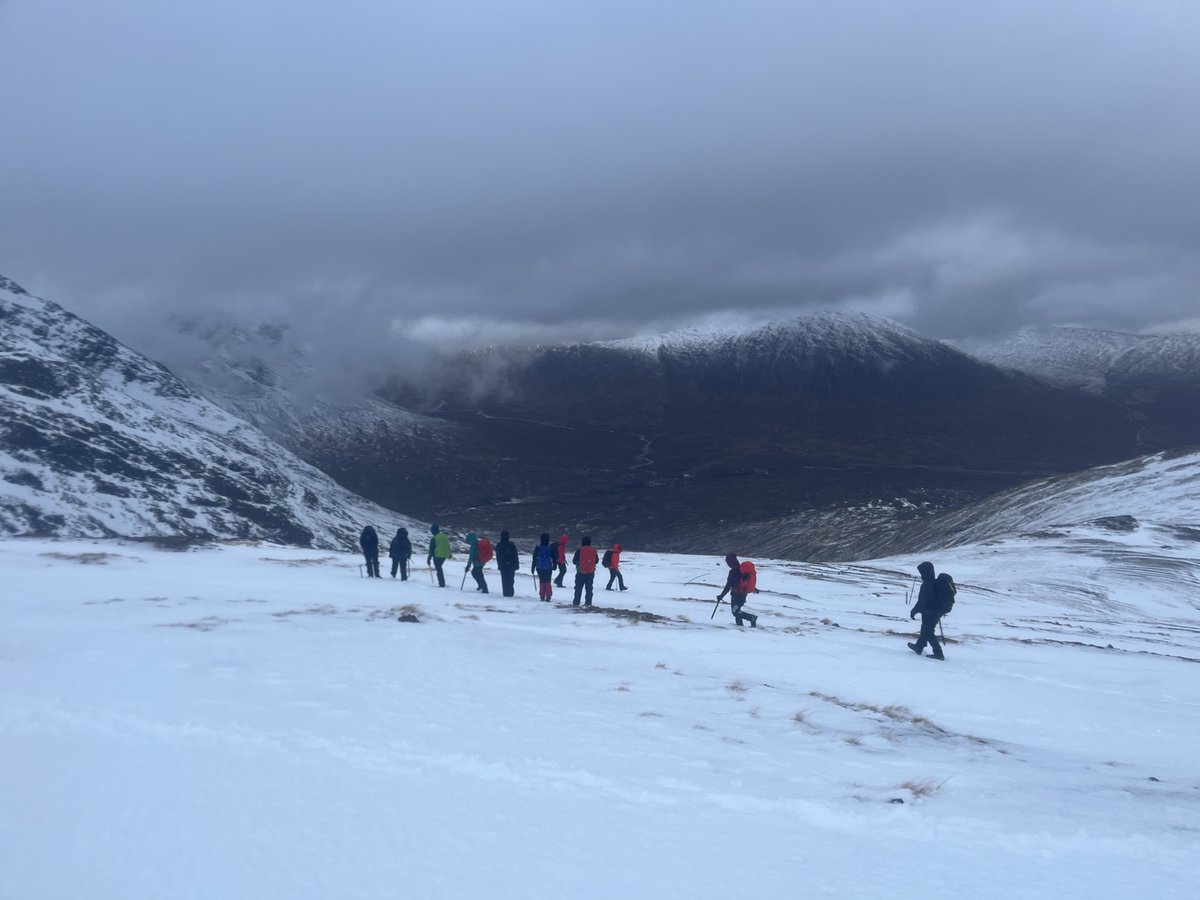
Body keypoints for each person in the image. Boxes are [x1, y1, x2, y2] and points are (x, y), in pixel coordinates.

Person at [907, 561, 945, 660]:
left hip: (929, 611)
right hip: (936, 611)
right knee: (926, 630)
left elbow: (922, 601)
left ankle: (938, 654)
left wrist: (914, 611)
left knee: (928, 632)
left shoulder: (927, 584)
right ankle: (919, 647)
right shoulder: (935, 582)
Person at [716, 553, 757, 626]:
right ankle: (740, 627)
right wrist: (754, 588)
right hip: (743, 594)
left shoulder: (734, 571)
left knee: (735, 612)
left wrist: (721, 596)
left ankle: (751, 618)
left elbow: (728, 586)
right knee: (737, 612)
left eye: (728, 562)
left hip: (737, 595)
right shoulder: (741, 570)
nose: (728, 564)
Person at [572, 535, 599, 606]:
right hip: (590, 572)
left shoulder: (579, 550)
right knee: (589, 588)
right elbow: (596, 561)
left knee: (578, 588)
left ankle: (576, 602)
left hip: (580, 571)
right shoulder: (593, 550)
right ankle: (588, 603)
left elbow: (574, 561)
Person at [531, 532, 556, 602]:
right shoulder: (550, 548)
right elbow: (554, 557)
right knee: (548, 581)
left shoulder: (538, 548)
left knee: (542, 581)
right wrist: (554, 565)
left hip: (539, 567)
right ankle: (548, 595)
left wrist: (533, 567)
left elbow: (534, 558)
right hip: (548, 567)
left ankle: (542, 595)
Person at [495, 530, 520, 597]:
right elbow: (515, 555)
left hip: (503, 565)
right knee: (510, 579)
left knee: (504, 579)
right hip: (511, 565)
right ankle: (510, 593)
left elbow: (498, 556)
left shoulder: (499, 545)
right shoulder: (511, 545)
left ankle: (505, 593)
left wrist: (499, 565)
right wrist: (517, 564)